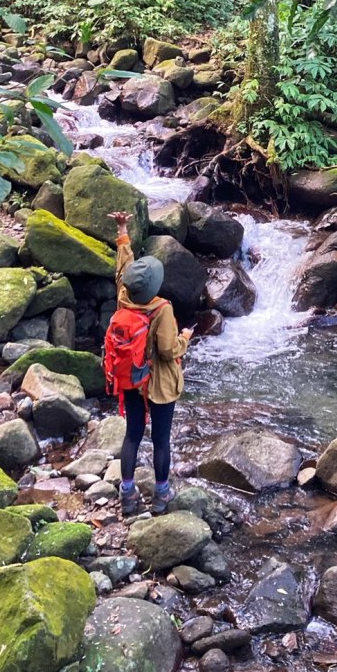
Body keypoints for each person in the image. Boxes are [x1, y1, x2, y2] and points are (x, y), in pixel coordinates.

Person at [107, 211, 191, 517]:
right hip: (158, 385)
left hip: (131, 379)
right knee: (160, 440)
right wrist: (185, 338)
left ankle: (127, 495)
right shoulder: (162, 310)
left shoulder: (124, 297)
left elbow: (123, 270)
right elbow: (169, 351)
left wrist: (122, 232)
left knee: (132, 435)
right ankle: (160, 495)